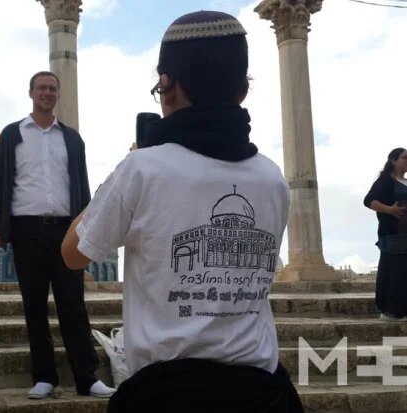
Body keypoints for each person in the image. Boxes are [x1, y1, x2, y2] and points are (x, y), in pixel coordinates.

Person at [62, 11, 303, 413]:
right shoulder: (272, 178)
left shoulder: (142, 169)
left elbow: (73, 253)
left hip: (166, 396)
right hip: (263, 395)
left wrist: (121, 173)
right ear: (243, 90)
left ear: (167, 86)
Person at [0, 71, 115, 399]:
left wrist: (86, 226)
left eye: (52, 88)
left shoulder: (71, 139)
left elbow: (80, 184)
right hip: (26, 229)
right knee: (34, 304)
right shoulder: (12, 135)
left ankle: (87, 377)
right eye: (41, 88)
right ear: (31, 93)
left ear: (58, 94)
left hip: (66, 229)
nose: (47, 93)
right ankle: (44, 376)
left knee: (73, 304)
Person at [363, 147, 407, 321]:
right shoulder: (384, 181)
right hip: (393, 234)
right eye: (405, 157)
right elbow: (369, 201)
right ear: (394, 160)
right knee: (393, 272)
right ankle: (390, 311)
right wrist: (390, 210)